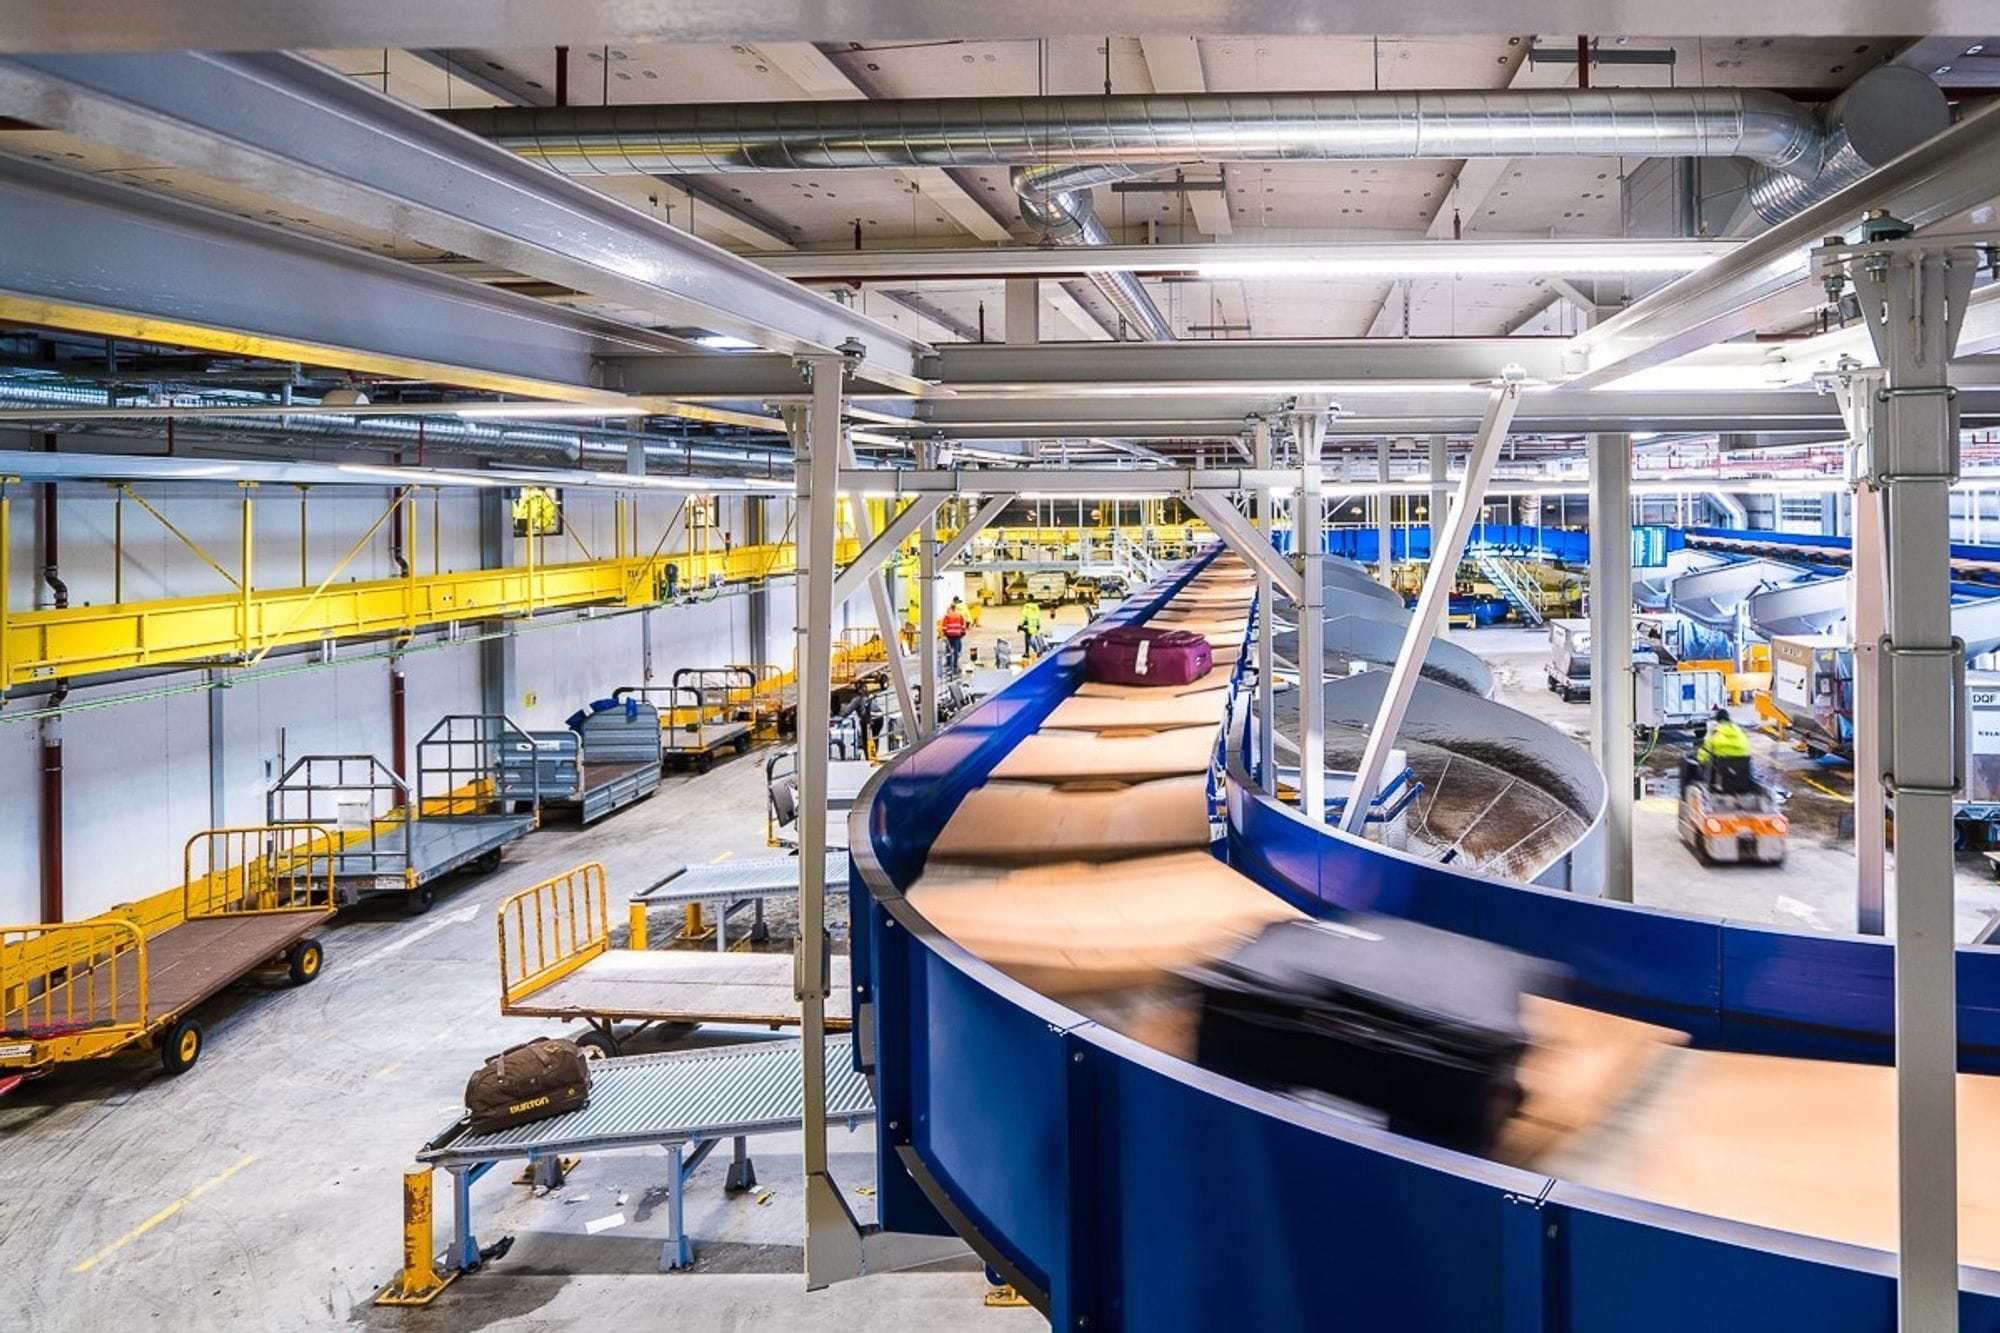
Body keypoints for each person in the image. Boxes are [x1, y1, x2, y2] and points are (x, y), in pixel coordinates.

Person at [1694, 706, 1754, 794]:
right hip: (1742, 768)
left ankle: (1712, 789)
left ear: (1718, 720)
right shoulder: (1739, 732)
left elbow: (1704, 753)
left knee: (1710, 760)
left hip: (1723, 772)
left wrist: (1699, 761)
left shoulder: (1716, 733)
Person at [940, 597, 969, 676]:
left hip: (949, 635)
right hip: (957, 635)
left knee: (948, 649)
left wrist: (945, 634)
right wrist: (962, 633)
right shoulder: (960, 615)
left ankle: (949, 662)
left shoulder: (947, 616)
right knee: (956, 650)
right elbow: (963, 626)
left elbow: (944, 627)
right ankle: (955, 664)